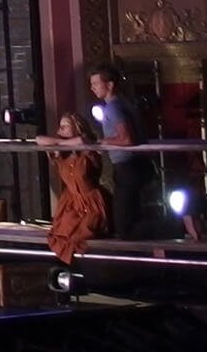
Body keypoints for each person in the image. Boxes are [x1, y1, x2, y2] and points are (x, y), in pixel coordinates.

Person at [36, 111, 108, 265]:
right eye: (59, 128)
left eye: (64, 127)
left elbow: (82, 141)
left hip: (91, 202)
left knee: (81, 233)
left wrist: (61, 144)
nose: (59, 131)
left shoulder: (88, 150)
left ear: (76, 128)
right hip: (71, 203)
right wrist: (60, 144)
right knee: (61, 233)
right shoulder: (62, 153)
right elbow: (39, 139)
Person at [90, 64, 147, 240]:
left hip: (127, 167)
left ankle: (180, 224)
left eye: (96, 83)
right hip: (133, 166)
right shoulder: (123, 104)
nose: (92, 88)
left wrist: (101, 142)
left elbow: (127, 139)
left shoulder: (113, 108)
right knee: (132, 219)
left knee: (124, 228)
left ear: (110, 85)